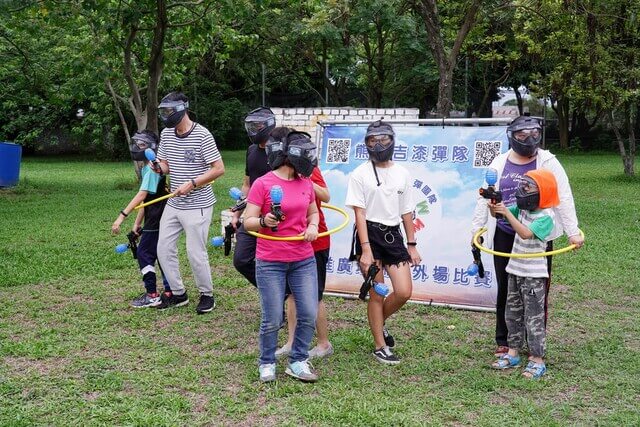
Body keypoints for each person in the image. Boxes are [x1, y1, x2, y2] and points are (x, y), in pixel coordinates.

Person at [471, 116, 584, 357]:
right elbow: (485, 199)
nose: (528, 138)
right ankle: (506, 341)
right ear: (511, 136)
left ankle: (535, 346)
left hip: (536, 237)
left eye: (533, 133)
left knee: (535, 291)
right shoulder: (499, 162)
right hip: (504, 234)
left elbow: (563, 196)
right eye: (521, 135)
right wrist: (476, 231)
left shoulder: (548, 162)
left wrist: (573, 232)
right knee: (507, 289)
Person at [243, 131, 321, 383]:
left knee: (308, 312)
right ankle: (266, 362)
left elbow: (313, 215)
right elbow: (248, 222)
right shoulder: (263, 184)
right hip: (270, 261)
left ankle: (298, 360)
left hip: (303, 259)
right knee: (273, 317)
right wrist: (264, 221)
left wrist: (312, 227)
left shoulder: (306, 183)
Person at [345, 120, 421, 365]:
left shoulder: (402, 173)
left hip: (393, 235)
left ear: (392, 141)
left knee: (403, 292)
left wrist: (412, 244)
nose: (378, 144)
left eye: (383, 139)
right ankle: (380, 345)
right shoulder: (360, 174)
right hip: (369, 235)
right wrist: (366, 251)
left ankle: (379, 323)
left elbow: (407, 211)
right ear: (366, 143)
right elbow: (359, 214)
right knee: (377, 294)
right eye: (372, 140)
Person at [154, 91, 225, 314]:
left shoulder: (202, 135)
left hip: (199, 204)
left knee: (195, 252)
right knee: (163, 248)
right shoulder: (166, 134)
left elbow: (219, 168)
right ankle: (178, 293)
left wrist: (193, 183)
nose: (166, 116)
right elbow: (165, 164)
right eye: (163, 111)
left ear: (183, 109)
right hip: (174, 203)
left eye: (169, 111)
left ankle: (207, 295)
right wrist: (157, 168)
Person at [489, 169, 560, 379]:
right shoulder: (521, 209)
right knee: (512, 314)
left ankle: (537, 359)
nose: (522, 190)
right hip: (514, 270)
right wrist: (494, 207)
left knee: (533, 317)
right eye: (523, 185)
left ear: (543, 192)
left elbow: (526, 233)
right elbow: (498, 214)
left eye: (528, 187)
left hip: (534, 275)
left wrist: (508, 212)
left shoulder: (546, 216)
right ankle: (513, 352)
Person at [275, 164, 333, 360]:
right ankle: (291, 342)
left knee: (314, 295)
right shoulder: (279, 172)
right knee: (291, 294)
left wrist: (305, 177)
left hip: (316, 241)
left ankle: (323, 343)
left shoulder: (309, 168)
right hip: (293, 241)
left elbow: (325, 195)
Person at [111, 130, 172, 307]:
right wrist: (137, 224)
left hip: (157, 216)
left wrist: (121, 217)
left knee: (144, 254)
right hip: (156, 215)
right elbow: (147, 200)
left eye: (143, 145)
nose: (138, 148)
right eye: (137, 144)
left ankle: (152, 294)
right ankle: (169, 291)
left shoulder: (153, 169)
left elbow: (142, 195)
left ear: (152, 149)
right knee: (162, 254)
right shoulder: (149, 167)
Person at [232, 107, 276, 286]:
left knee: (277, 263)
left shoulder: (280, 151)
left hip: (276, 216)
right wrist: (236, 213)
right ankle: (274, 292)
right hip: (253, 214)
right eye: (251, 126)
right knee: (241, 260)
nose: (254, 131)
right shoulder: (251, 150)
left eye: (258, 126)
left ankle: (282, 295)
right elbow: (247, 184)